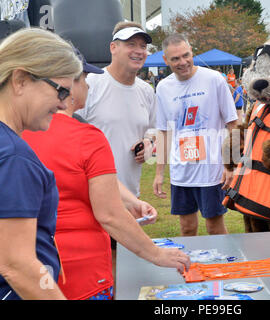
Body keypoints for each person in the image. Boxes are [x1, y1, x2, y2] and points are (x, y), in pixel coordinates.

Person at [23, 48, 190, 300]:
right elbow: (109, 215)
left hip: (29, 269)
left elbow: (95, 179)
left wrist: (132, 201)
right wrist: (156, 254)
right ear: (69, 84)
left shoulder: (19, 132)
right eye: (85, 79)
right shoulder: (87, 137)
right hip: (82, 274)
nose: (89, 86)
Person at [0, 28, 82, 300]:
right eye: (61, 91)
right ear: (20, 80)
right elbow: (18, 266)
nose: (64, 105)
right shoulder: (11, 156)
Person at [75, 21, 157, 266]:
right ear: (113, 47)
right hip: (91, 199)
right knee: (101, 267)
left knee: (125, 268)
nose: (139, 50)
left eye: (143, 46)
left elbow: (154, 134)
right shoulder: (92, 84)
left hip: (131, 197)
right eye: (131, 44)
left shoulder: (146, 90)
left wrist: (150, 145)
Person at [153, 33, 238, 237]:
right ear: (166, 60)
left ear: (192, 52)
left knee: (214, 226)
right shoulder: (163, 87)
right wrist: (158, 173)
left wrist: (230, 165)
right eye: (175, 58)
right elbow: (163, 132)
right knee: (187, 228)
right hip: (181, 171)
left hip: (211, 170)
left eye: (186, 55)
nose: (183, 62)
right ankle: (192, 268)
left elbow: (233, 124)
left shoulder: (214, 79)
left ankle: (221, 268)